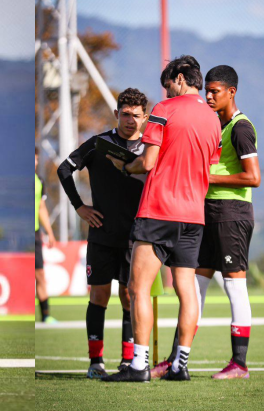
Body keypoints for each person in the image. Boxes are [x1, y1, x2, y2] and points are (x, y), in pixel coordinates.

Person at [102, 55, 222, 382]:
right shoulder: (214, 119)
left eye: (167, 85)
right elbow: (208, 168)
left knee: (137, 288)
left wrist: (125, 166)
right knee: (188, 291)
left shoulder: (164, 109)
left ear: (179, 78)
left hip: (158, 211)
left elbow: (148, 161)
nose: (166, 91)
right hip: (193, 216)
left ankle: (139, 366)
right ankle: (180, 364)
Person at [151, 65, 260, 380]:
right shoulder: (214, 124)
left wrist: (203, 175)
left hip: (232, 215)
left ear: (231, 92)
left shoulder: (240, 128)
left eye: (215, 91)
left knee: (234, 286)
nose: (209, 96)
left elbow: (253, 178)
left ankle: (239, 364)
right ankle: (175, 360)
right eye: (207, 90)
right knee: (193, 289)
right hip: (206, 214)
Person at [57, 88, 149, 379]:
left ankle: (127, 361)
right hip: (101, 234)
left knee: (129, 296)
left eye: (136, 115)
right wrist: (79, 206)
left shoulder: (150, 148)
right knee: (99, 296)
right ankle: (95, 362)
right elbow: (63, 169)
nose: (130, 120)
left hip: (137, 237)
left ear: (145, 117)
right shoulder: (100, 143)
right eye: (125, 114)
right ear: (116, 114)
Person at [35, 148, 58, 323]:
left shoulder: (39, 180)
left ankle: (46, 316)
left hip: (36, 234)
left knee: (40, 275)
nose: (34, 163)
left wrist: (49, 232)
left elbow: (41, 208)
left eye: (36, 159)